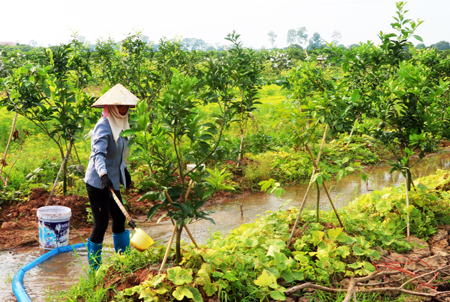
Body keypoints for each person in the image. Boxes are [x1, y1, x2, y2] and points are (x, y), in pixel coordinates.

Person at [84, 84, 138, 272]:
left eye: (126, 106)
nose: (123, 109)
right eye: (120, 106)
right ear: (112, 107)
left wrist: (124, 172)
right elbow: (98, 154)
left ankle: (123, 261)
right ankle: (94, 269)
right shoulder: (104, 125)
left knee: (119, 217)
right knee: (101, 223)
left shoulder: (123, 123)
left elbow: (118, 154)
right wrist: (103, 176)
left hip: (113, 180)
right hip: (98, 181)